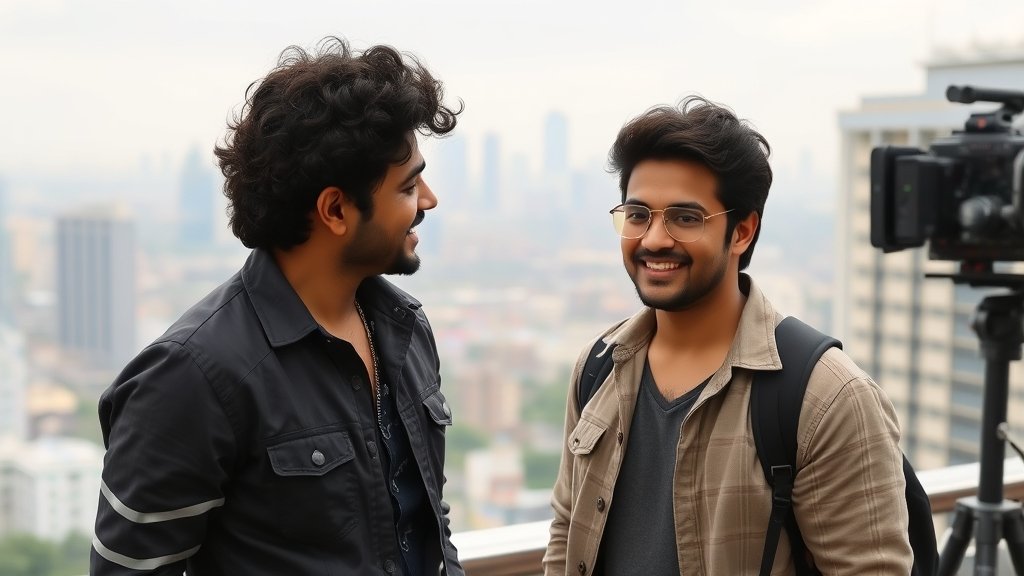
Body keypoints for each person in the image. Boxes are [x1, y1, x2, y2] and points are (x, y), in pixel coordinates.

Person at [91, 37, 464, 576]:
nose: (428, 200)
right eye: (408, 187)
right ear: (335, 209)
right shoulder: (193, 376)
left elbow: (427, 523)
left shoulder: (405, 329)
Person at [542, 97, 912, 575]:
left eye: (685, 218)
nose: (654, 239)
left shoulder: (827, 398)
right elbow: (566, 529)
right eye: (637, 215)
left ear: (742, 231)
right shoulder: (598, 367)